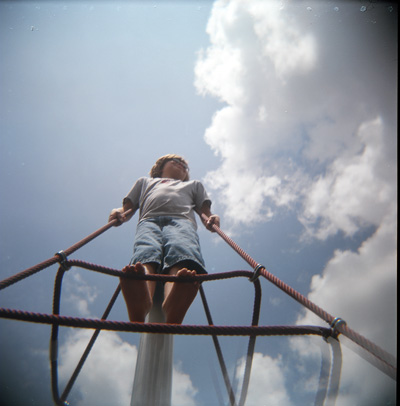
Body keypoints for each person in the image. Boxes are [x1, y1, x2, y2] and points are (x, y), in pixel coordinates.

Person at [109, 154, 220, 325]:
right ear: (160, 167)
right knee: (146, 251)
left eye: (185, 165)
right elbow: (129, 208)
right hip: (149, 220)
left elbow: (203, 209)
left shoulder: (193, 185)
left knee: (182, 251)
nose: (182, 165)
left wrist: (211, 218)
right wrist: (119, 212)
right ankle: (141, 294)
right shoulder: (145, 182)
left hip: (181, 221)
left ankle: (174, 299)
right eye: (175, 162)